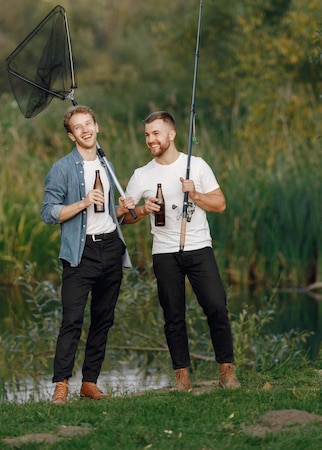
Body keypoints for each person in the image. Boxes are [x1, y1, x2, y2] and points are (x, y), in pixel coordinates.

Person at [117, 111, 240, 391]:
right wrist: (137, 209)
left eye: (156, 133)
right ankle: (182, 377)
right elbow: (124, 217)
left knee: (217, 307)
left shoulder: (195, 165)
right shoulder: (142, 175)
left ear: (171, 135)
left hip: (198, 247)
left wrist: (195, 194)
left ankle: (227, 371)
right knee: (173, 315)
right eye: (147, 135)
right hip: (164, 251)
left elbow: (220, 204)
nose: (150, 140)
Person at [41, 105, 131, 404]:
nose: (85, 130)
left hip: (111, 247)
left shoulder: (108, 165)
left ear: (97, 127)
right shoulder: (62, 168)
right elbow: (48, 213)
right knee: (72, 320)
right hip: (81, 253)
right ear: (71, 135)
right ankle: (61, 384)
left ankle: (89, 382)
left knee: (103, 319)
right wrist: (81, 202)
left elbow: (110, 214)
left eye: (89, 123)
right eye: (78, 127)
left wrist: (126, 207)